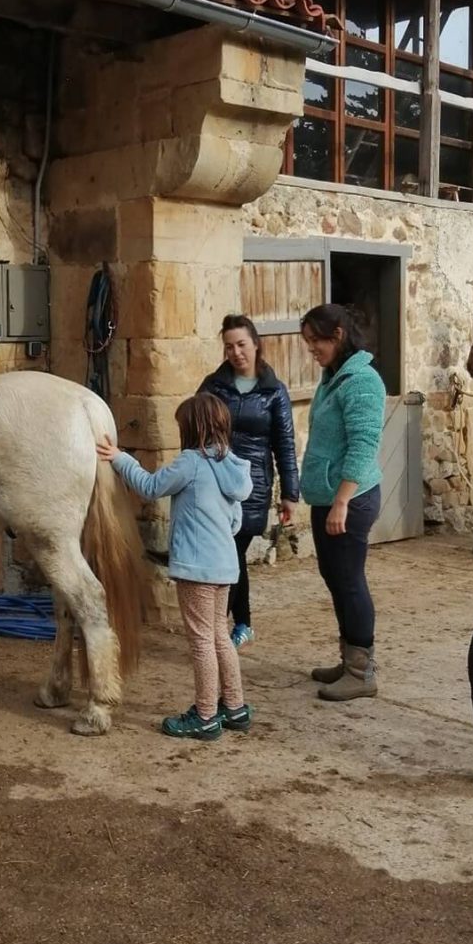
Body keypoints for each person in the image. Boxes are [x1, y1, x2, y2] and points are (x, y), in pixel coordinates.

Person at [97, 394, 251, 741]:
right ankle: (235, 707)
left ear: (193, 428)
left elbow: (151, 487)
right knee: (220, 636)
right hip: (225, 567)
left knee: (201, 642)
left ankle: (206, 715)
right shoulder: (233, 467)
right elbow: (235, 523)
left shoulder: (191, 462)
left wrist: (120, 458)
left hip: (197, 569)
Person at [299, 304, 387, 703]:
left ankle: (361, 672)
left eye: (315, 341)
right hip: (330, 498)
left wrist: (342, 501)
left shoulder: (362, 381)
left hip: (350, 500)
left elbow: (364, 444)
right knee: (335, 577)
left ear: (337, 335)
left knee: (350, 581)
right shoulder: (334, 377)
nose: (311, 350)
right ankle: (349, 658)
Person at [198, 313, 300, 649]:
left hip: (252, 487)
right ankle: (240, 624)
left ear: (256, 344)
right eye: (229, 346)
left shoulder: (274, 391)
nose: (236, 352)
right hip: (216, 485)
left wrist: (290, 494)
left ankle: (219, 627)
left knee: (233, 553)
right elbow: (194, 424)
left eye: (241, 344)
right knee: (231, 556)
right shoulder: (213, 386)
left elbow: (285, 444)